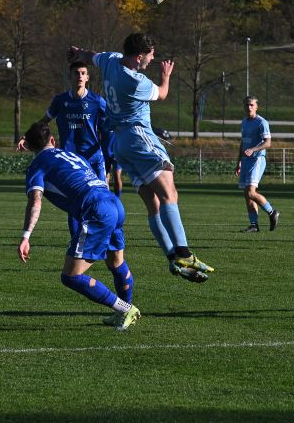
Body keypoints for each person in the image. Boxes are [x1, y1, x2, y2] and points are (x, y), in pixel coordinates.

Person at [68, 33, 213, 283]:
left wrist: (77, 52)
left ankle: (172, 257)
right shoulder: (137, 81)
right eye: (151, 54)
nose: (153, 58)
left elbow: (91, 56)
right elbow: (163, 94)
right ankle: (184, 253)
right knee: (169, 193)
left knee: (153, 204)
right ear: (138, 57)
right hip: (139, 138)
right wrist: (166, 76)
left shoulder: (111, 60)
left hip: (121, 145)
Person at [17, 122, 140, 331]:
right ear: (53, 141)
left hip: (96, 210)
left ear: (28, 146)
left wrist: (26, 235)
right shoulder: (73, 155)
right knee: (117, 262)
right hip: (113, 203)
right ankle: (121, 314)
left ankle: (125, 309)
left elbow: (35, 201)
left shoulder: (37, 166)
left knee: (71, 276)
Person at [18, 61, 107, 181]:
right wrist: (26, 137)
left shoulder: (97, 101)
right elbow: (44, 122)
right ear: (70, 76)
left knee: (104, 194)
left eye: (83, 73)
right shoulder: (60, 101)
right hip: (71, 159)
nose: (79, 76)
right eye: (76, 73)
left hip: (93, 157)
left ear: (87, 77)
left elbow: (114, 119)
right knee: (76, 196)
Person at [235, 96, 280, 233]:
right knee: (247, 194)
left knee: (251, 192)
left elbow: (268, 142)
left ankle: (272, 212)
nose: (249, 107)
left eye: (251, 105)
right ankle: (254, 225)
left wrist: (253, 149)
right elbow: (243, 143)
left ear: (256, 107)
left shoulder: (262, 122)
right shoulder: (244, 122)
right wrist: (239, 162)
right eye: (247, 105)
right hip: (246, 161)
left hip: (257, 160)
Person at [102, 130, 123, 198]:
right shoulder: (101, 119)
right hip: (105, 151)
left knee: (116, 176)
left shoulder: (120, 119)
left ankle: (118, 199)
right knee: (105, 176)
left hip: (117, 151)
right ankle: (107, 198)